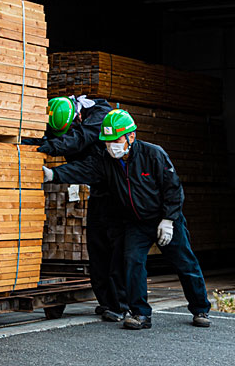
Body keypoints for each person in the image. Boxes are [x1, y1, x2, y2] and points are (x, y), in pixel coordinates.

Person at [42, 109, 212, 330]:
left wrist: (169, 219)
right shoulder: (106, 161)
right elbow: (83, 169)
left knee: (185, 263)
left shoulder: (153, 154)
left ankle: (200, 309)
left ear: (131, 136)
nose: (110, 145)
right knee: (132, 263)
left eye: (116, 140)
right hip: (136, 223)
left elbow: (173, 189)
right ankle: (140, 314)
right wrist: (54, 175)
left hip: (165, 220)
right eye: (107, 141)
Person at [26, 95, 126, 322]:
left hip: (117, 193)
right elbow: (52, 137)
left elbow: (79, 140)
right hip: (98, 193)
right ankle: (107, 303)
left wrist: (56, 171)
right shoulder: (67, 119)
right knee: (97, 250)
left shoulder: (101, 115)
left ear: (77, 116)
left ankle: (122, 304)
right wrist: (28, 143)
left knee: (117, 252)